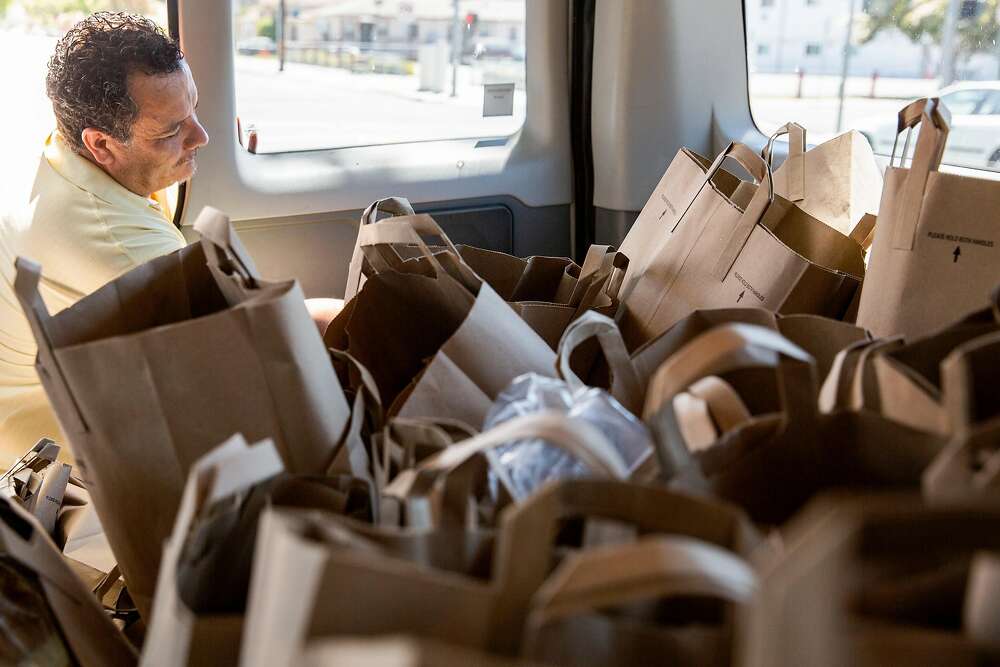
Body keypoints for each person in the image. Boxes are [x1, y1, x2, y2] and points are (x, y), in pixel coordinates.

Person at [0, 13, 337, 460]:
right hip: (65, 470)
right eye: (172, 130)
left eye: (193, 107)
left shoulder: (63, 154)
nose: (202, 135)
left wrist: (175, 139)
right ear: (101, 144)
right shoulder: (121, 248)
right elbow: (249, 360)